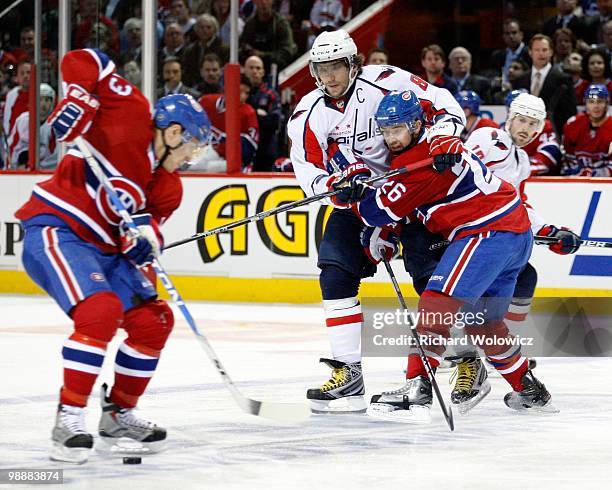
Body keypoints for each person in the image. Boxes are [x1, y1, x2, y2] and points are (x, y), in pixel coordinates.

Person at [14, 48, 210, 464]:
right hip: (56, 229)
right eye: (192, 144)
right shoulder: (132, 112)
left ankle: (119, 412)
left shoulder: (167, 186)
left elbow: (145, 229)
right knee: (100, 312)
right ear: (173, 132)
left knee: (153, 320)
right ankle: (69, 417)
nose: (193, 156)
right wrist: (80, 98)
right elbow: (86, 59)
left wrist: (145, 240)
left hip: (104, 250)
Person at [286, 29, 466, 413]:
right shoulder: (307, 115)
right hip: (363, 205)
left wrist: (445, 138)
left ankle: (467, 357)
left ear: (353, 64)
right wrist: (336, 187)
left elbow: (445, 107)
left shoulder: (387, 81)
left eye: (336, 67)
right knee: (335, 271)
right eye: (321, 69)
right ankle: (348, 372)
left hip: (413, 192)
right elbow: (309, 174)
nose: (329, 77)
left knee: (432, 280)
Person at [350, 90, 557, 422]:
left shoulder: (422, 160)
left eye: (398, 129)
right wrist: (389, 227)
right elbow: (411, 205)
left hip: (488, 231)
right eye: (385, 131)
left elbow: (378, 209)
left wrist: (356, 196)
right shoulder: (434, 142)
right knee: (483, 322)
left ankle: (417, 386)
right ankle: (528, 388)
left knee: (436, 301)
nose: (391, 138)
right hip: (513, 233)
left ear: (416, 124)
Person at [443, 93, 581, 413]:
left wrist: (549, 230)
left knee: (524, 277)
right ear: (510, 117)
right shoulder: (490, 137)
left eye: (534, 124)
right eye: (522, 120)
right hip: (466, 233)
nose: (527, 128)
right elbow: (463, 171)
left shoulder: (519, 161)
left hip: (492, 237)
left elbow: (516, 204)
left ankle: (501, 350)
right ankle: (468, 363)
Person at [513, 34, 577, 135]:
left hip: (553, 134)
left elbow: (570, 113)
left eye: (544, 50)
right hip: (525, 135)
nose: (541, 54)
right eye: (537, 50)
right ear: (530, 52)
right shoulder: (520, 80)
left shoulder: (563, 80)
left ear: (551, 52)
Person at [197, 75, 259, 172]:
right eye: (240, 91)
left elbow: (249, 149)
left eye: (246, 93)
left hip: (229, 162)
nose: (243, 96)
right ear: (227, 88)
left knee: (208, 166)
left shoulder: (248, 113)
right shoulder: (205, 102)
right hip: (201, 152)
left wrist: (218, 151)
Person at [505, 89, 563, 175]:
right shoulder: (503, 129)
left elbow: (549, 156)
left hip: (538, 183)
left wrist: (515, 172)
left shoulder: (542, 126)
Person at [562, 83, 612, 176]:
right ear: (585, 103)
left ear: (607, 103)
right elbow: (568, 158)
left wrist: (595, 174)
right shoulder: (572, 124)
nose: (596, 106)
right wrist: (576, 172)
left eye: (600, 101)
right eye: (591, 102)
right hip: (577, 180)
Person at [244, 55, 282, 170]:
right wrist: (258, 114)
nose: (255, 71)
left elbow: (275, 120)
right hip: (244, 149)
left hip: (265, 150)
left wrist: (252, 116)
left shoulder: (270, 94)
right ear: (244, 70)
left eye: (258, 68)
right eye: (251, 68)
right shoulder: (237, 92)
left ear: (263, 72)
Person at [6, 83, 57, 169]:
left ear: (52, 102)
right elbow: (12, 146)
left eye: (47, 100)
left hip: (46, 170)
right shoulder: (22, 120)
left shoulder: (55, 124)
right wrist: (12, 167)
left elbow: (55, 154)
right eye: (40, 99)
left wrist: (39, 167)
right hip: (21, 168)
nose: (43, 104)